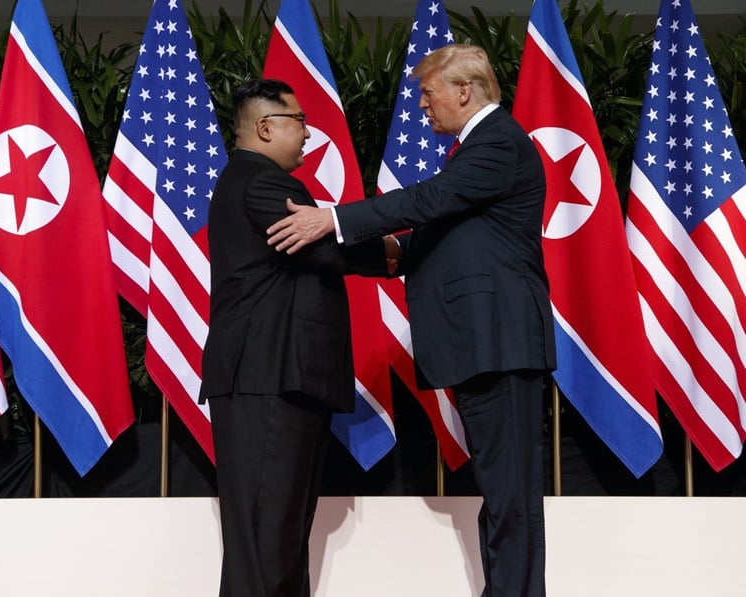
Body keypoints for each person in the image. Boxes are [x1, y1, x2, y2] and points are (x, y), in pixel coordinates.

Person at [266, 44, 555, 597]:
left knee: (510, 496)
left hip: (499, 343)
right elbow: (449, 228)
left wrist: (334, 218)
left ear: (465, 91)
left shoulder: (496, 142)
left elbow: (433, 199)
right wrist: (387, 256)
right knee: (500, 492)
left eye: (429, 93)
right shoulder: (478, 148)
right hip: (482, 343)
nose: (422, 105)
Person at [199, 78, 395, 597]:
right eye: (299, 121)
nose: (309, 133)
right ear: (265, 126)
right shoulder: (260, 181)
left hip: (276, 375)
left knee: (278, 536)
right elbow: (321, 247)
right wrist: (395, 253)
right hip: (268, 374)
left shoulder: (249, 178)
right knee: (270, 536)